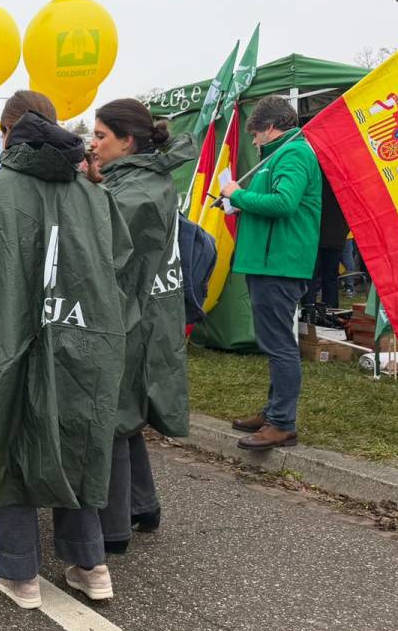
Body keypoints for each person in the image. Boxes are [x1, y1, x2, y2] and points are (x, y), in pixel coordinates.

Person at [0, 92, 133, 609]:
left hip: (7, 341)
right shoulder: (95, 196)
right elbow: (120, 266)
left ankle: (19, 571)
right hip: (83, 341)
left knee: (10, 439)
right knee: (77, 443)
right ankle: (91, 564)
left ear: (7, 130)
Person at [87, 98, 196, 555]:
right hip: (148, 311)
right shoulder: (143, 180)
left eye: (100, 136)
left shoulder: (132, 194)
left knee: (112, 414)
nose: (92, 145)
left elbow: (104, 254)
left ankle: (113, 532)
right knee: (126, 413)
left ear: (127, 141)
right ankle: (143, 505)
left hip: (132, 316)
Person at [220, 96, 321, 451]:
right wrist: (237, 203)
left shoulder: (294, 153)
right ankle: (274, 412)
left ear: (270, 127)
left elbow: (284, 203)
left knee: (279, 345)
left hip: (279, 263)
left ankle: (282, 423)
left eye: (255, 134)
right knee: (276, 342)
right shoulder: (279, 156)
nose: (253, 141)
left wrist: (239, 194)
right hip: (267, 261)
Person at [303, 173, 350, 316]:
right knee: (330, 277)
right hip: (335, 237)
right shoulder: (344, 186)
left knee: (311, 276)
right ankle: (331, 313)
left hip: (316, 236)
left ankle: (308, 311)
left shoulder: (315, 181)